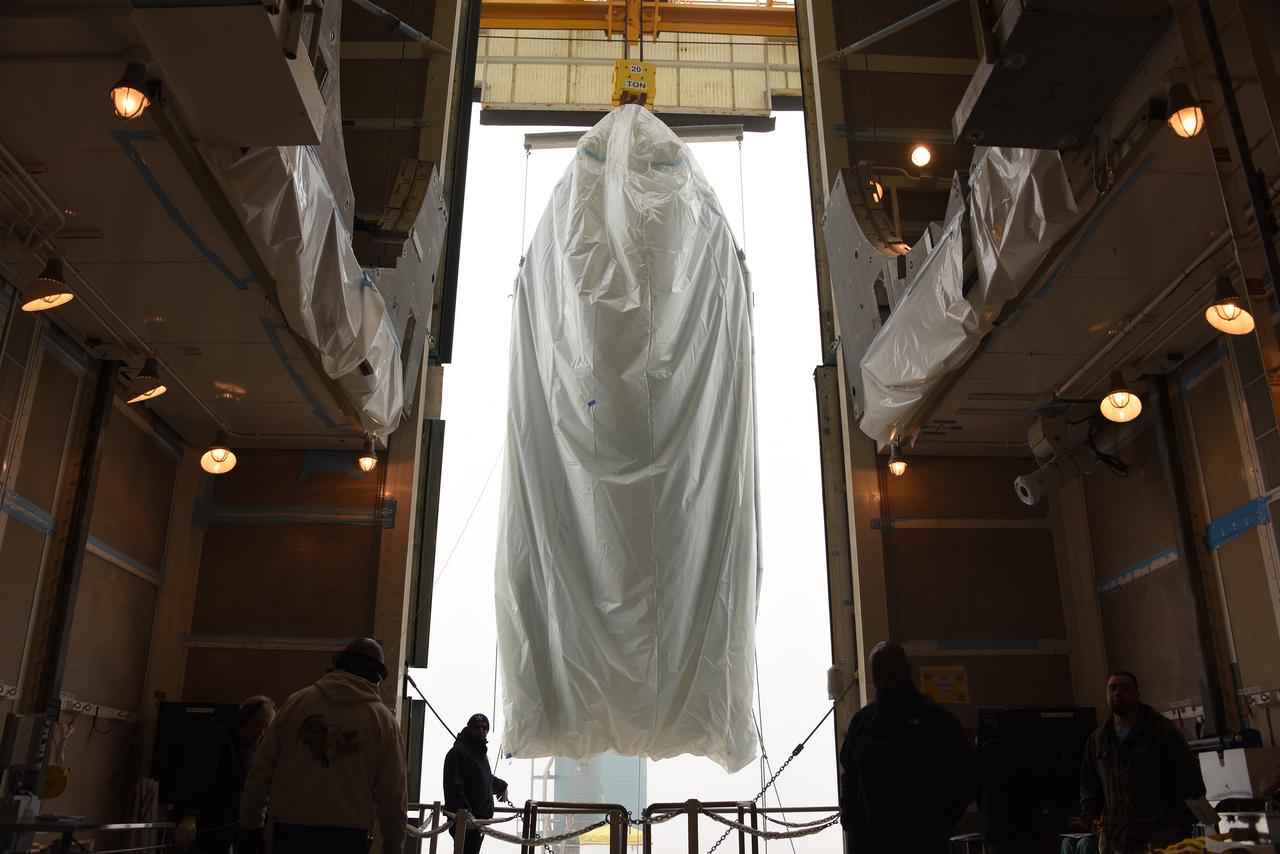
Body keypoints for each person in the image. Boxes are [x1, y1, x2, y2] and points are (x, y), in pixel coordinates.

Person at [238, 638, 407, 854]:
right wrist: (394, 847)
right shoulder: (384, 722)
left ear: (339, 663)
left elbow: (260, 773)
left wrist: (250, 827)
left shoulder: (296, 703)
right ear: (376, 675)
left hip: (288, 833)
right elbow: (393, 795)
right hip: (347, 839)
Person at [838, 641, 976, 854]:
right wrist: (850, 821)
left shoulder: (936, 720)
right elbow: (849, 776)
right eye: (879, 670)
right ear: (873, 676)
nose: (885, 676)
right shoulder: (862, 722)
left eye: (890, 668)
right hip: (868, 845)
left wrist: (932, 830)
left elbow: (964, 780)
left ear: (906, 670)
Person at [1079, 671, 1206, 854]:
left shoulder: (1162, 732)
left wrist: (1176, 824)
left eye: (1124, 687)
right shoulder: (1098, 740)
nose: (1117, 692)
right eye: (1112, 687)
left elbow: (1190, 783)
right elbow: (1089, 786)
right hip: (1119, 842)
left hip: (1162, 840)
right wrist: (1090, 819)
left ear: (1137, 694)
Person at [173, 696, 275, 853]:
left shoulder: (254, 748)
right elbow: (196, 780)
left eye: (265, 729)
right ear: (244, 718)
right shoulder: (217, 740)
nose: (261, 733)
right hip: (205, 835)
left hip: (230, 835)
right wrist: (188, 816)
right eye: (258, 727)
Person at [443, 713, 510, 854]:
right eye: (477, 727)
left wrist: (502, 785)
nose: (481, 731)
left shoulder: (479, 755)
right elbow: (454, 788)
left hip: (477, 823)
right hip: (465, 822)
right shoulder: (458, 753)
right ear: (469, 729)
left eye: (485, 728)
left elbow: (484, 779)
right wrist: (466, 813)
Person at [975, 710, 1037, 854]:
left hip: (995, 829)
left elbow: (971, 791)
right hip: (1023, 827)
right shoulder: (1020, 756)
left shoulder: (980, 760)